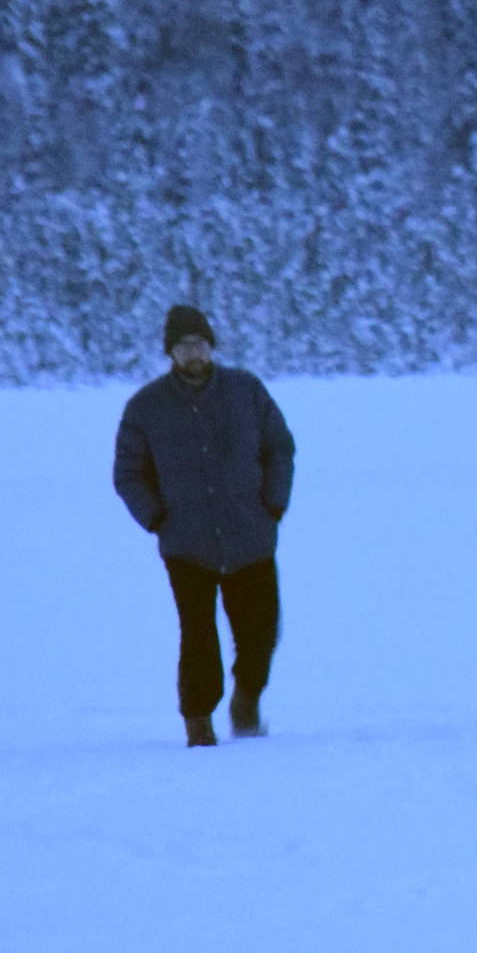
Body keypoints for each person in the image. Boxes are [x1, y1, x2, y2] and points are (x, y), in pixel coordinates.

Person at [113, 305, 296, 747]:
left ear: (211, 346)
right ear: (170, 353)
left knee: (261, 631)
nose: (192, 353)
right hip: (186, 542)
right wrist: (156, 517)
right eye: (182, 346)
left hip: (250, 534)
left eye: (199, 343)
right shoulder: (146, 407)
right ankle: (198, 720)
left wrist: (272, 504)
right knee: (198, 636)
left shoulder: (245, 390)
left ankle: (246, 701)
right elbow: (128, 473)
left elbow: (280, 448)